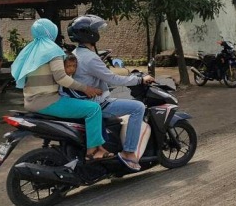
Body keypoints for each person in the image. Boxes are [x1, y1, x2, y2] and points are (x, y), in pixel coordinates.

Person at [10, 19, 111, 161]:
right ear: (51, 31)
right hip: (48, 101)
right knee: (93, 109)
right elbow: (61, 78)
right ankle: (92, 151)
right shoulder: (52, 50)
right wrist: (86, 88)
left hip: (31, 101)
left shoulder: (32, 49)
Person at [67, 15, 154, 172]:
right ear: (89, 33)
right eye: (95, 29)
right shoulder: (90, 58)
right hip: (98, 102)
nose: (97, 32)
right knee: (138, 107)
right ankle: (128, 152)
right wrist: (139, 80)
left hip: (82, 99)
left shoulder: (76, 53)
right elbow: (112, 79)